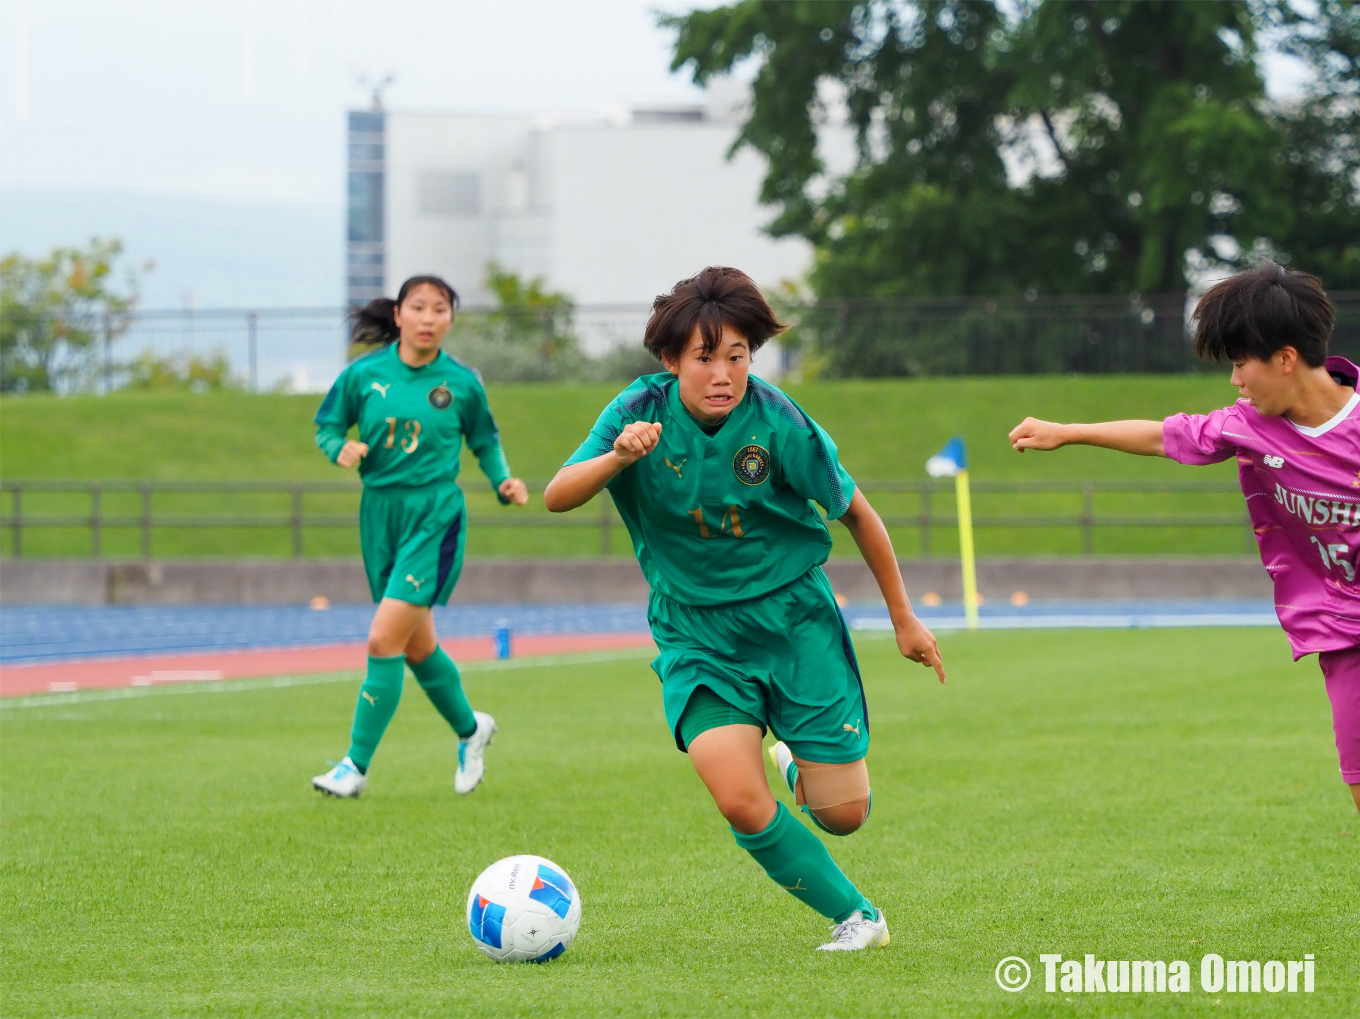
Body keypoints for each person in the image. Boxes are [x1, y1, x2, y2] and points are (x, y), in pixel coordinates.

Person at [543, 266, 946, 950]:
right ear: (671, 360)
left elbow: (858, 513)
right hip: (696, 633)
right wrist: (616, 458)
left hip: (793, 622)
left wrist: (904, 618)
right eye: (705, 358)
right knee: (736, 797)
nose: (724, 374)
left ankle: (796, 760)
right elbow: (557, 494)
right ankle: (858, 917)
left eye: (737, 356)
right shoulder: (637, 410)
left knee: (844, 815)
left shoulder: (778, 420)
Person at [1009, 262, 1359, 815]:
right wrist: (1067, 432)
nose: (1235, 381)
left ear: (1286, 358)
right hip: (1343, 633)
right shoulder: (1250, 425)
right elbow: (1161, 436)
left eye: (1240, 363)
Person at [310, 274, 529, 798]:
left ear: (450, 319)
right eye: (419, 307)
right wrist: (339, 448)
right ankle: (472, 730)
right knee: (416, 647)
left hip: (434, 515)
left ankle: (354, 766)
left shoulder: (461, 383)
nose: (429, 318)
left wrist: (502, 482)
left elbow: (485, 440)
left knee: (383, 639)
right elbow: (327, 427)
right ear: (398, 315)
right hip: (379, 515)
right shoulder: (363, 375)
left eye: (440, 309)